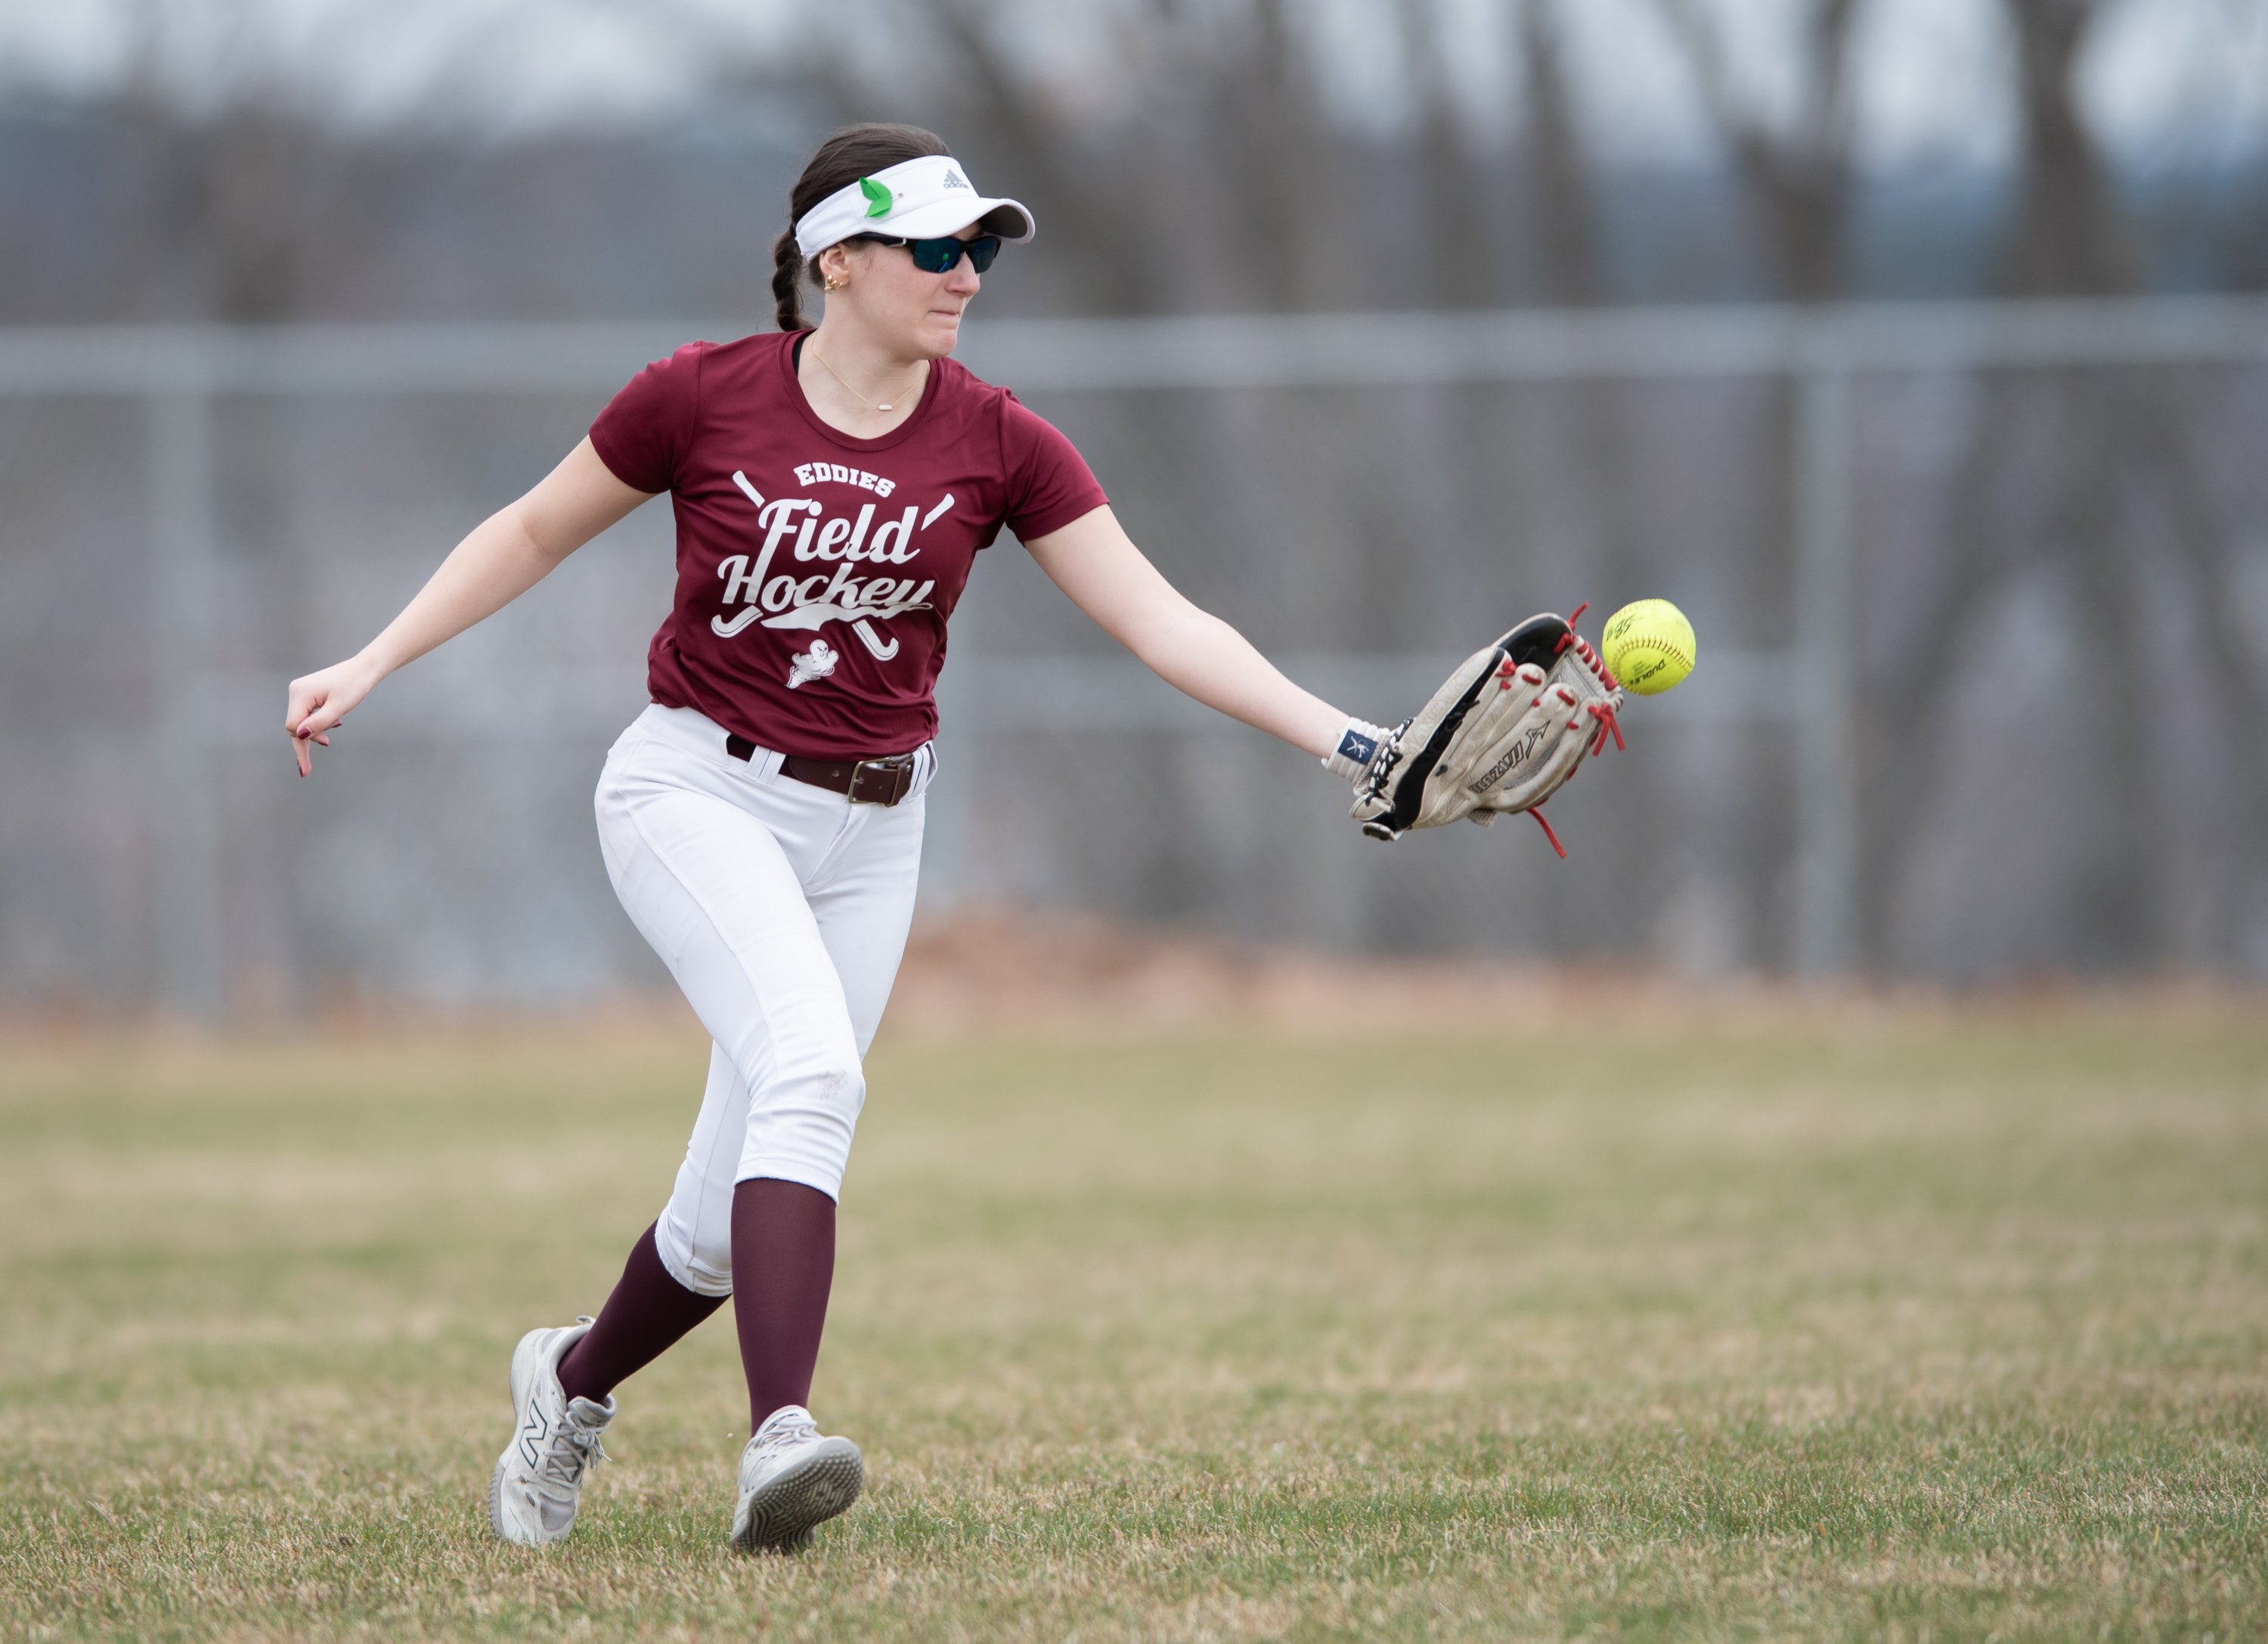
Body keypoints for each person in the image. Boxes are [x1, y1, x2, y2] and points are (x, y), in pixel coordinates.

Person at [284, 123, 1390, 1554]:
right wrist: (372, 658)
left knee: (715, 1219)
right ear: (839, 260)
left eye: (980, 248)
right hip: (695, 791)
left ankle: (567, 1384)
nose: (967, 273)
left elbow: (1161, 619)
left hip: (876, 829)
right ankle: (779, 1440)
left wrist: (1352, 742)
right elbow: (535, 530)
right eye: (936, 246)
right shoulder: (700, 397)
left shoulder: (999, 438)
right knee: (813, 1074)